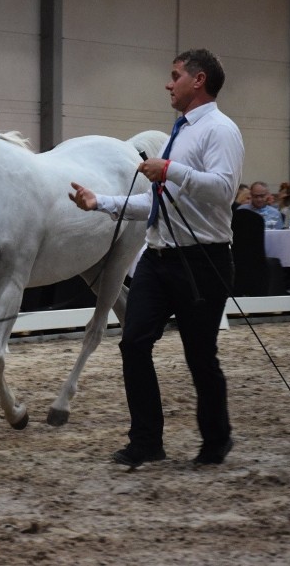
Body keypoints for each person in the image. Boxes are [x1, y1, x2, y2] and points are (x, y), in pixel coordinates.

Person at [68, 49, 244, 467]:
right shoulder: (179, 132)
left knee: (200, 357)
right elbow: (158, 202)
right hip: (159, 258)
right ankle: (147, 440)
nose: (169, 83)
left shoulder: (221, 130)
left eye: (175, 75)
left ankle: (216, 440)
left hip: (203, 262)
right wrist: (101, 203)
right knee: (133, 343)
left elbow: (222, 190)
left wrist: (170, 170)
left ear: (198, 80)